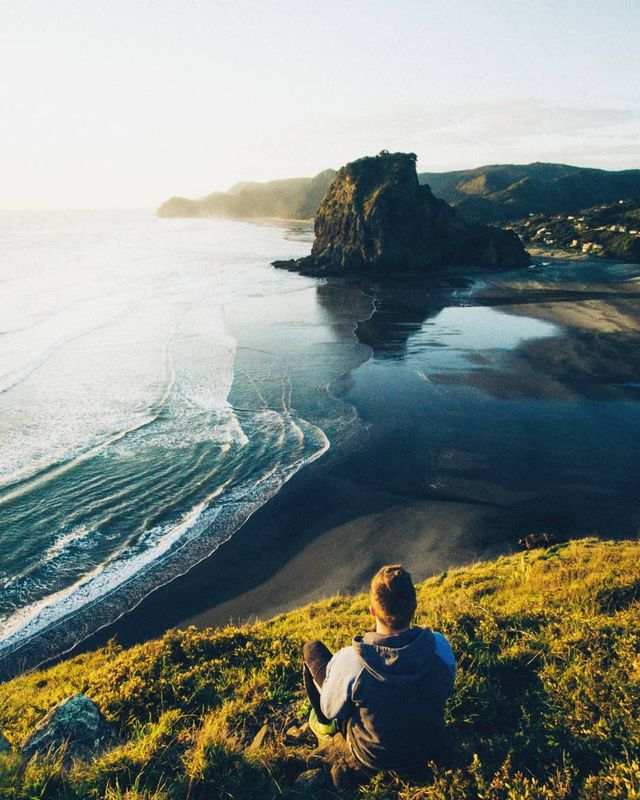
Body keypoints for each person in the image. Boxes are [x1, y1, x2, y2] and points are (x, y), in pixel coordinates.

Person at [302, 564, 455, 775]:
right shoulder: (439, 647)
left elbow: (331, 709)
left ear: (372, 610)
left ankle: (324, 728)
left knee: (312, 650)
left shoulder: (352, 661)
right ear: (414, 606)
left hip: (375, 756)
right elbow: (445, 690)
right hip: (431, 745)